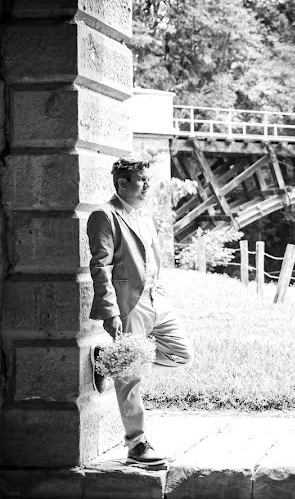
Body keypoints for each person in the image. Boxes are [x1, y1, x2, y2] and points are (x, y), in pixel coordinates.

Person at [88, 157, 193, 466]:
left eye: (148, 179)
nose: (148, 185)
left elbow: (152, 261)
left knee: (181, 353)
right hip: (128, 303)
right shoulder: (104, 215)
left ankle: (108, 361)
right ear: (122, 184)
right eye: (142, 180)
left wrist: (160, 293)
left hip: (154, 299)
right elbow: (100, 267)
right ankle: (136, 445)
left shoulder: (144, 216)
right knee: (129, 375)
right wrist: (111, 312)